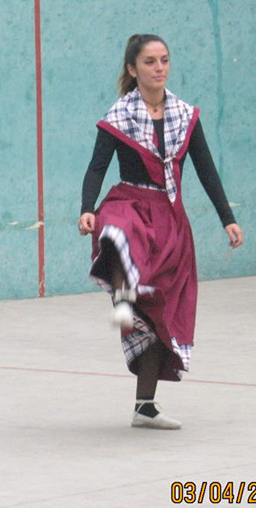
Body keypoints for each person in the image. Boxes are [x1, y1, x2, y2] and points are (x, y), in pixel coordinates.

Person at [78, 34, 243, 430]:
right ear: (133, 69)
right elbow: (97, 167)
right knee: (114, 231)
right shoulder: (119, 115)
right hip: (131, 204)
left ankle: (144, 407)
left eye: (165, 60)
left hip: (170, 220)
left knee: (158, 317)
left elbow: (206, 170)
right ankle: (122, 303)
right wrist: (87, 209)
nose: (159, 68)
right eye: (150, 61)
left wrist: (227, 218)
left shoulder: (186, 116)